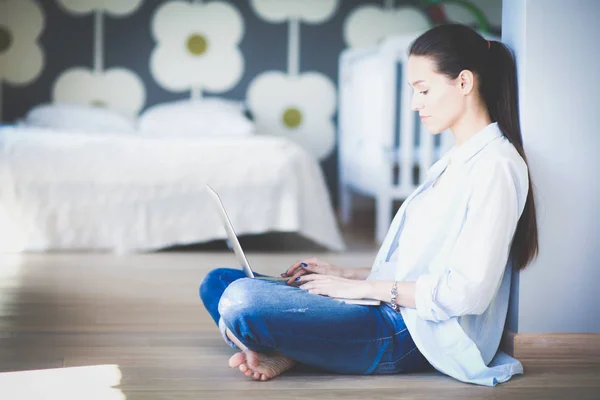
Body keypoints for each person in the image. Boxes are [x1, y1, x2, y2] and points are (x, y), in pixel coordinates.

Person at [199, 23, 539, 386]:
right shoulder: (454, 160)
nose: (414, 104)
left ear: (464, 83)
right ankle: (284, 346)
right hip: (388, 307)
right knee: (218, 282)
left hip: (415, 335)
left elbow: (467, 292)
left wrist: (364, 290)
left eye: (423, 90)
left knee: (240, 301)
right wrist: (346, 275)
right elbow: (418, 265)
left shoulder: (496, 167)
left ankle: (281, 345)